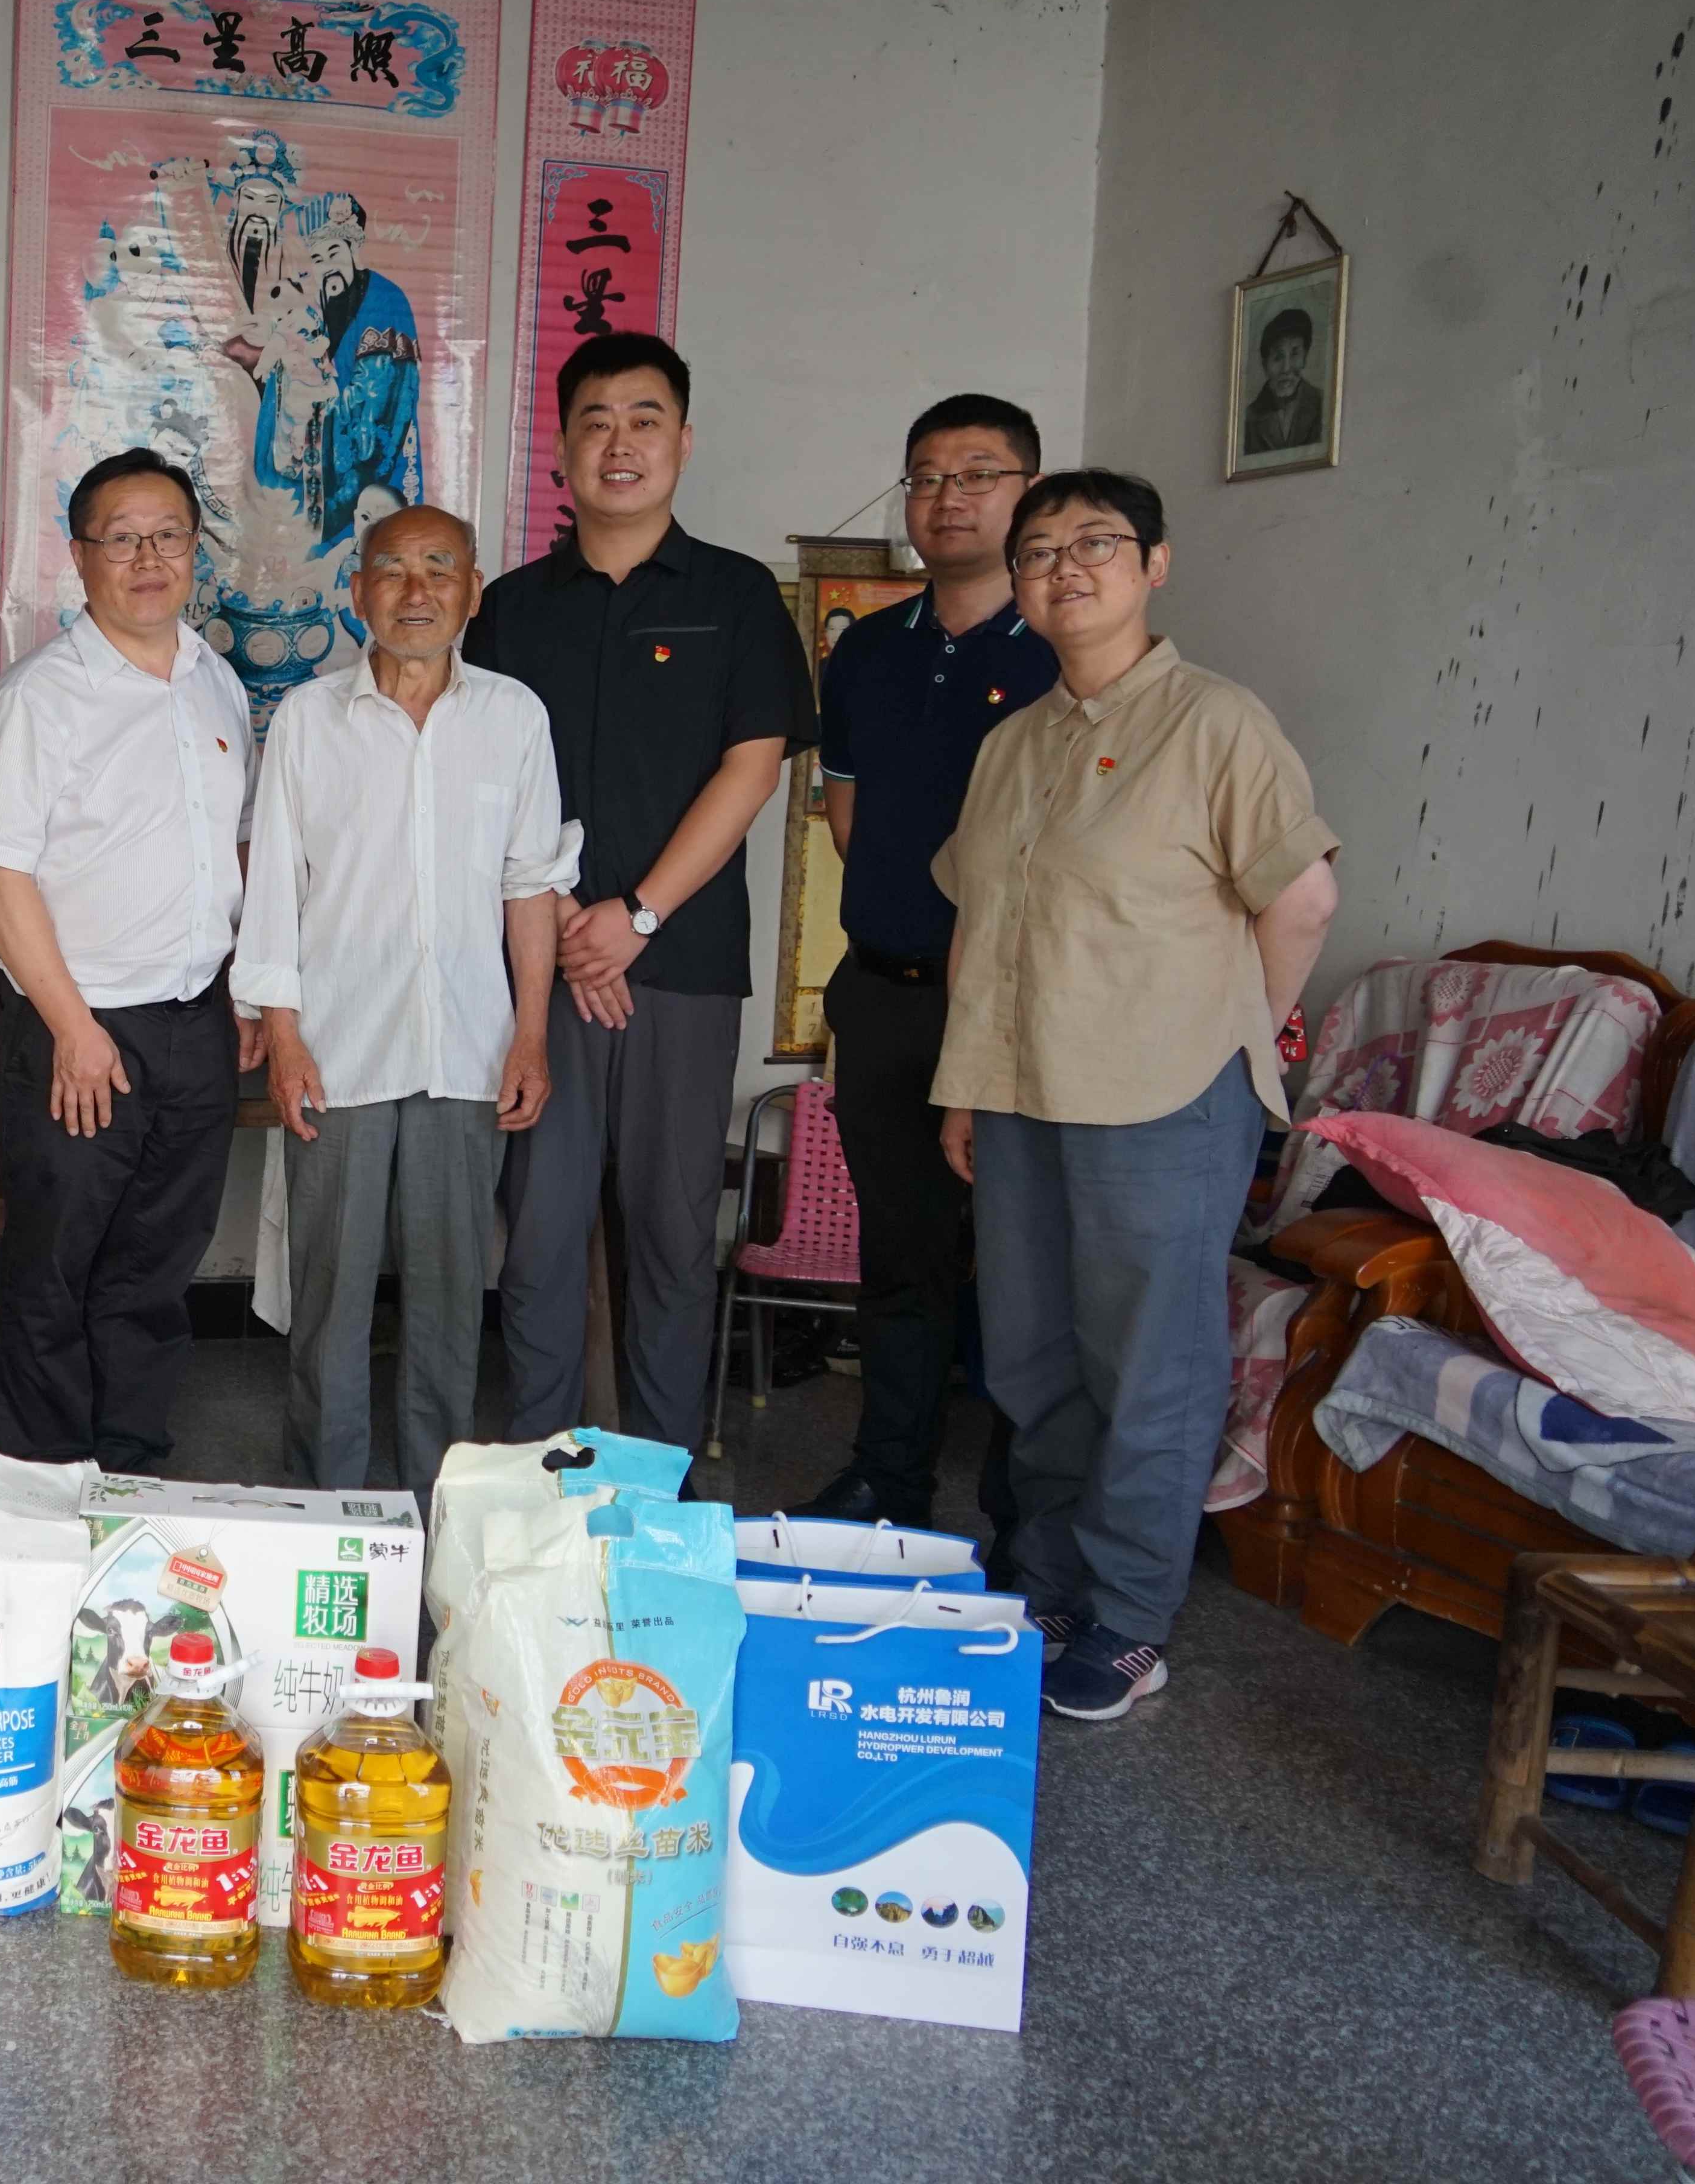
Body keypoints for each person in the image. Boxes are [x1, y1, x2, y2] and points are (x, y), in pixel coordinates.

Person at [932, 469, 1339, 1722]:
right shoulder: (1012, 743)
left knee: (1148, 1366)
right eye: (1040, 550)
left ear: (1154, 565)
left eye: (1095, 543)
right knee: (1034, 1354)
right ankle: (1052, 1583)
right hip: (1021, 1093)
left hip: (1163, 1096)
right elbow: (981, 922)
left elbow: (1302, 899)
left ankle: (1128, 1616)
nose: (1065, 567)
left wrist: (1231, 1036)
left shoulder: (1216, 723)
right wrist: (966, 1086)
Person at [464, 333, 816, 1459]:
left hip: (681, 966)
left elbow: (753, 769)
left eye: (645, 418)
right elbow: (480, 782)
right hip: (542, 969)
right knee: (540, 1237)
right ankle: (541, 1475)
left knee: (671, 1236)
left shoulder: (737, 595)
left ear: (684, 442)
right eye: (597, 420)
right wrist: (568, 924)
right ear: (563, 448)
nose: (621, 442)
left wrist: (638, 916)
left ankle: (660, 1481)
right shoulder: (511, 609)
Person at [234, 506, 575, 1498]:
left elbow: (530, 886)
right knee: (330, 1297)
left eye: (439, 569)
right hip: (336, 1051)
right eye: (392, 570)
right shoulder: (308, 720)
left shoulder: (514, 718)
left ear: (472, 591)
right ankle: (327, 1501)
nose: (416, 591)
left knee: (449, 1301)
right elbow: (275, 888)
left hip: (469, 1051)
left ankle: (438, 1505)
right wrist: (284, 1037)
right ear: (357, 592)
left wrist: (531, 1035)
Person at [785, 396, 1060, 1531]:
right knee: (900, 1260)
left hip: (1021, 1010)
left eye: (979, 475)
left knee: (1022, 1266)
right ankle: (889, 1483)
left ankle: (1024, 1515)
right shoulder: (867, 652)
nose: (949, 499)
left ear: (1029, 493)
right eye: (928, 477)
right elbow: (851, 821)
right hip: (889, 994)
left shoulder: (1064, 654)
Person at [0, 448, 259, 1472]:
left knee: (156, 1264)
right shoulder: (39, 698)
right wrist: (72, 1028)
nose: (149, 559)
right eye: (123, 539)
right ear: (81, 556)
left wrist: (246, 988)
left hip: (196, 1021)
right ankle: (47, 1480)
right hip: (80, 1027)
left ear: (196, 550)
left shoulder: (217, 684)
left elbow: (235, 851)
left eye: (169, 537)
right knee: (57, 1265)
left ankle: (131, 1468)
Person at [1242, 308, 1325, 454]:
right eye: (1278, 357)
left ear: (1305, 357)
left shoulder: (1322, 404)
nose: (1286, 368)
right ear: (1265, 365)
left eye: (1295, 354)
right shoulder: (1249, 419)